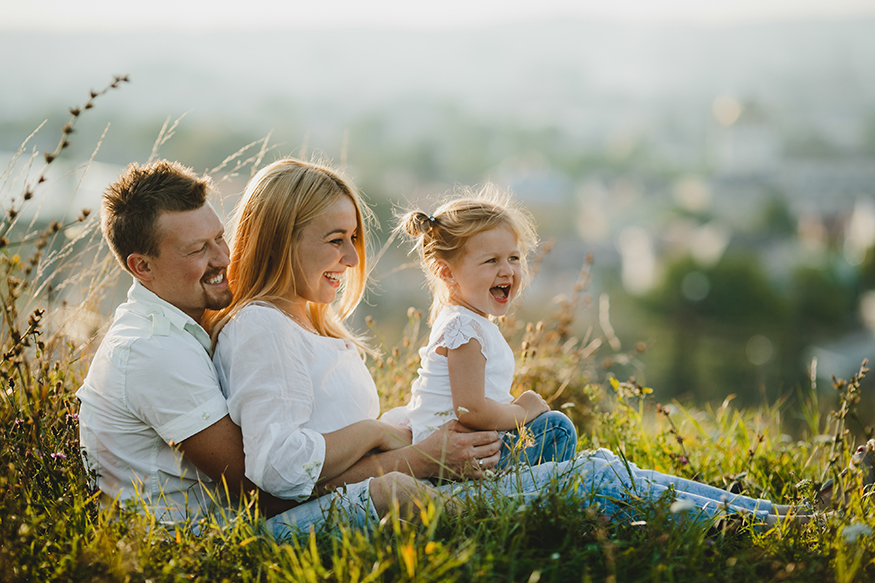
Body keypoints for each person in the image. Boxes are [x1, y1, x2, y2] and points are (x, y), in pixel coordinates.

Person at [209, 157, 809, 536]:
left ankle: (767, 515)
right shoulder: (262, 328)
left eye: (353, 239)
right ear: (281, 239)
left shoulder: (309, 325)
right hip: (338, 517)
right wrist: (392, 442)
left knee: (592, 468)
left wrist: (403, 439)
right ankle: (772, 524)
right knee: (590, 478)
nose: (349, 257)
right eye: (334, 240)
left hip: (388, 487)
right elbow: (278, 470)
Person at [76, 159, 490, 526]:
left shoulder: (188, 323)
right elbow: (267, 492)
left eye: (220, 237)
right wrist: (400, 449)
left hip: (232, 525)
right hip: (195, 548)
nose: (223, 258)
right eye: (198, 249)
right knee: (397, 493)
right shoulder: (154, 350)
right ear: (142, 266)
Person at [380, 188, 577, 468]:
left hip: (468, 445)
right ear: (447, 272)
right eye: (491, 261)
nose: (507, 270)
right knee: (557, 428)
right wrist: (521, 411)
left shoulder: (468, 321)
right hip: (458, 456)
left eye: (514, 258)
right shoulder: (464, 328)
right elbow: (469, 410)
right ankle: (542, 493)